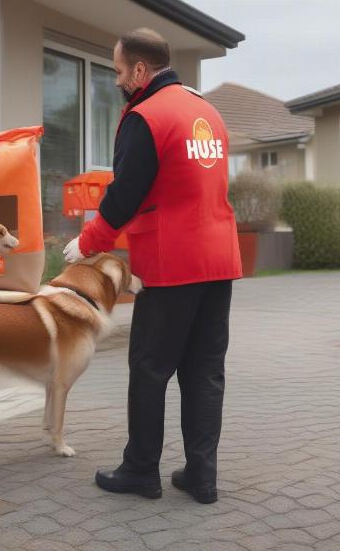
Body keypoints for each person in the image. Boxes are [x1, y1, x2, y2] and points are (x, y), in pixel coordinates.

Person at [63, 28, 242, 504]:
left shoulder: (147, 116)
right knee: (204, 371)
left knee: (149, 368)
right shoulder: (207, 111)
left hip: (171, 264)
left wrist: (88, 243)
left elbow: (124, 195)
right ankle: (202, 477)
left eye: (120, 71)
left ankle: (141, 471)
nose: (118, 80)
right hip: (219, 261)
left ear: (141, 71)